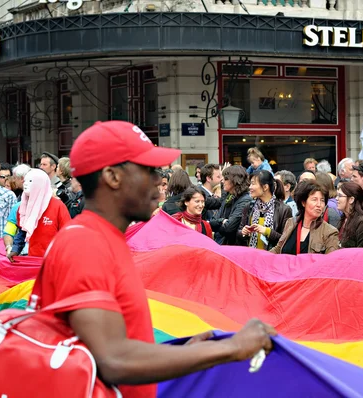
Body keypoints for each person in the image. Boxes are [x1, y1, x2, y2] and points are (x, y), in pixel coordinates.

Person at [37, 120, 275, 398]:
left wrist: (184, 353)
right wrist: (233, 348)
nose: (159, 181)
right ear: (113, 177)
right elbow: (114, 360)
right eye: (148, 170)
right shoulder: (85, 244)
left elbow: (110, 346)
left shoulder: (103, 239)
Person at [6, 169, 71, 260]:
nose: (25, 184)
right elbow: (22, 232)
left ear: (41, 184)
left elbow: (67, 236)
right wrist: (15, 250)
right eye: (25, 181)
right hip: (33, 261)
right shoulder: (23, 208)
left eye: (30, 181)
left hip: (53, 262)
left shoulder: (58, 206)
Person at [270, 180, 339, 255]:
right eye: (314, 199)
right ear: (303, 202)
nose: (319, 204)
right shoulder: (291, 223)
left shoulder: (330, 232)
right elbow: (278, 249)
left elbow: (331, 261)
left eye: (322, 200)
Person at [239, 170, 292, 250]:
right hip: (251, 256)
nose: (250, 187)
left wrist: (267, 231)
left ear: (265, 187)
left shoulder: (284, 209)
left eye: (253, 184)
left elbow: (286, 239)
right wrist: (243, 232)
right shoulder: (249, 207)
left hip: (272, 258)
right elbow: (239, 231)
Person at [210, 165, 252, 245]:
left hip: (234, 247)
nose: (222, 181)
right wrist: (222, 221)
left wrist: (219, 222)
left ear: (235, 181)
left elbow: (228, 228)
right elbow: (212, 222)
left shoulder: (245, 200)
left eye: (226, 178)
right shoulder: (229, 197)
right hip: (222, 243)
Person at [336, 182, 363, 248]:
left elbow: (362, 251)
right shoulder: (344, 218)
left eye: (340, 196)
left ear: (351, 199)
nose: (336, 198)